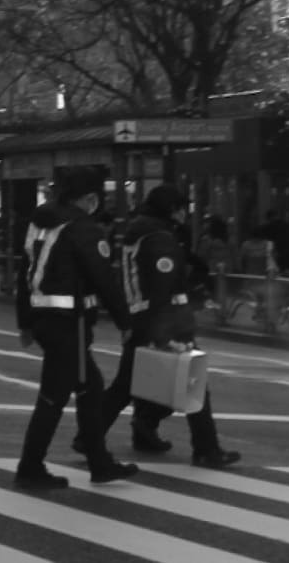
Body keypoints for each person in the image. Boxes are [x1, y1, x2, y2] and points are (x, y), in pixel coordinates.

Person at [97, 185, 241, 469]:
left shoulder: (135, 232)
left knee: (127, 385)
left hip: (141, 317)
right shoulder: (160, 237)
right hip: (165, 320)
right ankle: (206, 449)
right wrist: (163, 330)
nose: (184, 213)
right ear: (171, 209)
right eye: (181, 207)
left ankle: (107, 433)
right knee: (193, 382)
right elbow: (163, 285)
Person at [14, 166, 137, 491]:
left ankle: (100, 462)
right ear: (88, 198)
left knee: (90, 387)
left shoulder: (40, 223)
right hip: (71, 322)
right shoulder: (83, 228)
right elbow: (103, 279)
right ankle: (30, 465)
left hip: (46, 319)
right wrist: (126, 322)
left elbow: (23, 273)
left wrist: (25, 321)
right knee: (53, 396)